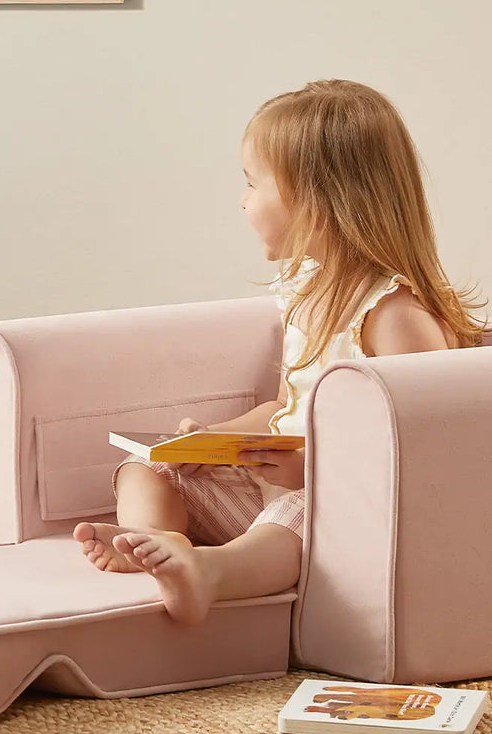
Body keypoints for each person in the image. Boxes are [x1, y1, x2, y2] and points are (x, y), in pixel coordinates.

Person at [75, 79, 484, 624]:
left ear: (314, 200)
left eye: (252, 183)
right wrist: (215, 441)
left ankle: (208, 574)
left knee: (294, 515)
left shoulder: (394, 319)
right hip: (272, 488)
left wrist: (314, 467)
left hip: (345, 515)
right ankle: (152, 543)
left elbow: (425, 459)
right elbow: (285, 407)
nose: (243, 200)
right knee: (146, 470)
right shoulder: (308, 293)